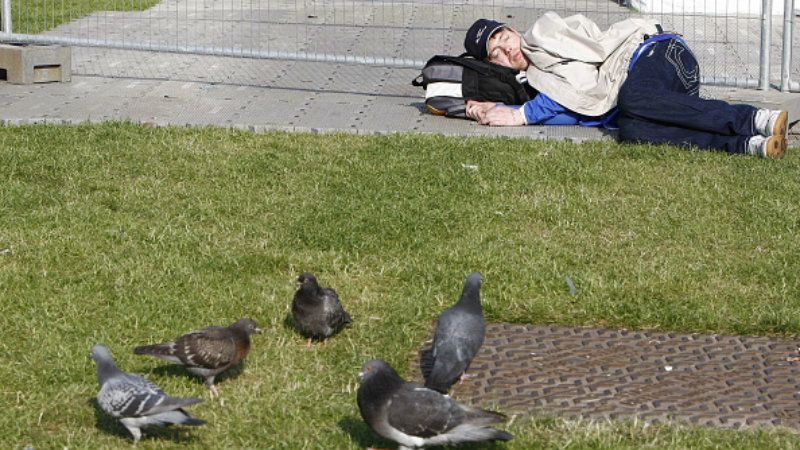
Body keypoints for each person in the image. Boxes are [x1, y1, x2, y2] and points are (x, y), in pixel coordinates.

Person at [462, 14, 789, 158]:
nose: (508, 49)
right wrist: (498, 110)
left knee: (632, 100)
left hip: (663, 54)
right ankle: (747, 145)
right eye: (498, 53)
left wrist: (521, 114)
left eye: (505, 37)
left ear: (513, 30)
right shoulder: (536, 80)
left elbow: (580, 86)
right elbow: (579, 111)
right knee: (630, 130)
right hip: (658, 94)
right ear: (494, 65)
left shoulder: (541, 36)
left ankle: (754, 119)